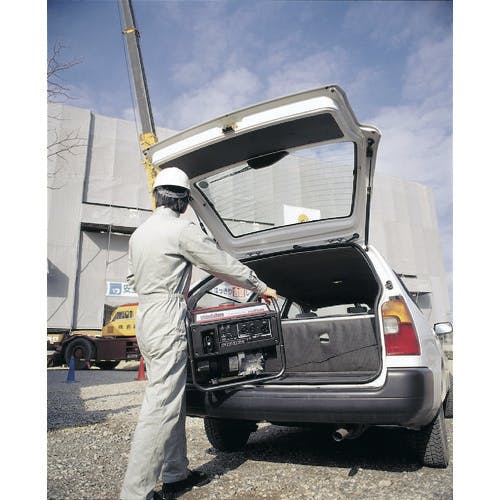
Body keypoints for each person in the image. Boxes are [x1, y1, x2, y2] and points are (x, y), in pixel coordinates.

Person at [120, 167, 277, 500]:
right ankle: (136, 493)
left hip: (146, 315)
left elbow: (132, 278)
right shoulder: (181, 231)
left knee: (170, 400)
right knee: (160, 406)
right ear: (183, 201)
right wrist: (259, 285)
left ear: (157, 196)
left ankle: (175, 474)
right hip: (167, 316)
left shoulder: (140, 234)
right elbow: (219, 263)